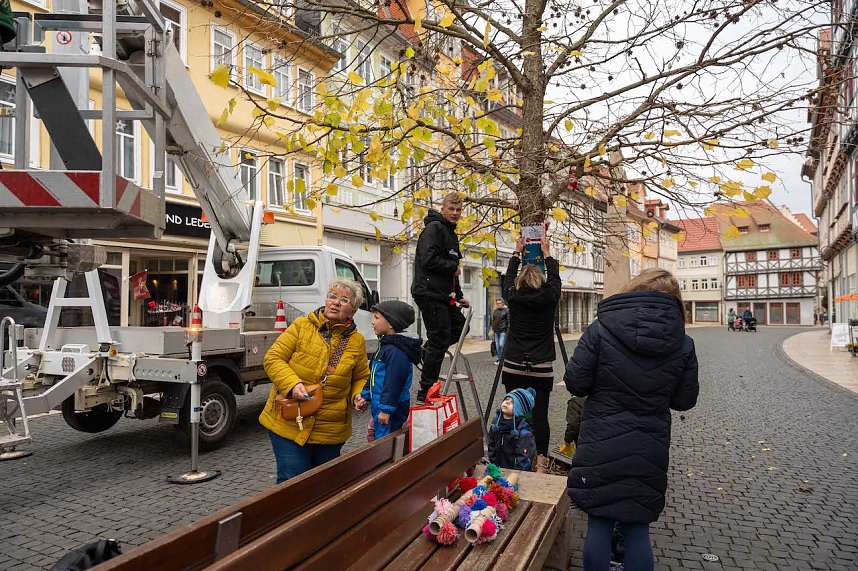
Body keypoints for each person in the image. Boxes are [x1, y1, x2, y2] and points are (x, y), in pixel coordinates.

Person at [564, 268, 699, 571]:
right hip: (648, 448)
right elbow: (684, 400)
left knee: (599, 523)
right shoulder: (683, 343)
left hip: (601, 442)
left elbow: (575, 382)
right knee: (637, 528)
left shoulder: (600, 330)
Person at [260, 279, 370, 483]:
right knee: (292, 483)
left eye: (344, 300)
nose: (335, 302)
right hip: (289, 421)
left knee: (322, 485)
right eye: (332, 296)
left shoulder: (356, 341)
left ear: (353, 311)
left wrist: (358, 394)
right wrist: (292, 384)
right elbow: (273, 358)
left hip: (330, 429)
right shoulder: (302, 326)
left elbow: (361, 376)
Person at [502, 235, 561, 473]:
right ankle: (542, 462)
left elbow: (507, 279)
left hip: (514, 363)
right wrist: (547, 254)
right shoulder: (550, 298)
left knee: (513, 411)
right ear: (541, 282)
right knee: (540, 415)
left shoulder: (513, 298)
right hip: (541, 366)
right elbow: (555, 280)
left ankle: (515, 455)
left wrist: (516, 253)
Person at [411, 192, 470, 404]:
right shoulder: (434, 228)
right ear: (443, 208)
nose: (455, 213)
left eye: (458, 210)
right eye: (451, 209)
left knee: (461, 327)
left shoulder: (450, 233)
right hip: (429, 292)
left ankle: (425, 353)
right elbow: (428, 260)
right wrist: (452, 267)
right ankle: (425, 390)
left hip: (443, 293)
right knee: (439, 337)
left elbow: (453, 272)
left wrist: (460, 295)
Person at [360, 300, 422, 441]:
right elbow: (375, 375)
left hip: (392, 408)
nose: (372, 322)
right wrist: (365, 395)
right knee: (378, 437)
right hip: (381, 404)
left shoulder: (396, 350)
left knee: (386, 442)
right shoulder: (386, 345)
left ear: (390, 323)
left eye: (376, 318)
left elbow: (394, 382)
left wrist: (386, 409)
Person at [487, 387, 537, 471]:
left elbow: (524, 458)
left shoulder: (523, 433)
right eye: (507, 399)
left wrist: (516, 473)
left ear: (520, 409)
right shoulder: (496, 424)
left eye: (512, 402)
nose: (507, 402)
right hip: (498, 469)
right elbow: (491, 445)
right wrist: (493, 464)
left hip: (515, 473)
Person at [491, 298, 510, 365]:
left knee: (501, 344)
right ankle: (498, 359)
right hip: (496, 331)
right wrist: (492, 330)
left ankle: (503, 359)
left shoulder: (506, 310)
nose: (498, 304)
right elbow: (493, 321)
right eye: (497, 303)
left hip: (503, 331)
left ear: (503, 303)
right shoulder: (495, 311)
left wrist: (508, 331)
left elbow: (508, 321)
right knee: (497, 345)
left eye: (499, 303)